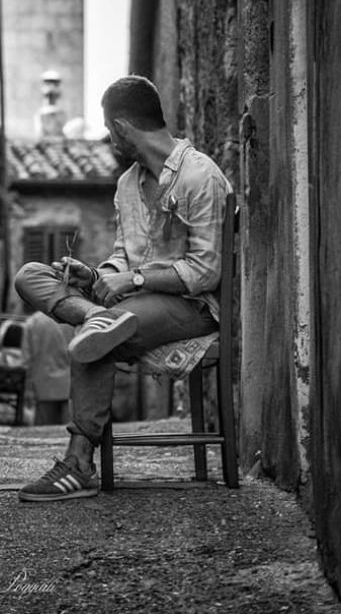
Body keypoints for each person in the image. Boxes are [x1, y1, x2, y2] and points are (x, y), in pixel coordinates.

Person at [14, 75, 230, 502]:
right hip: (130, 305)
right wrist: (95, 276)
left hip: (190, 307)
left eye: (109, 130)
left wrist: (132, 280)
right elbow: (122, 255)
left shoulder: (199, 175)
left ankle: (78, 462)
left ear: (122, 128)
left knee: (98, 338)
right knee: (30, 275)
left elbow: (206, 272)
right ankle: (96, 317)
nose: (110, 139)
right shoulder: (127, 184)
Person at [21, 310, 73, 426]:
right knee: (68, 430)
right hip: (69, 384)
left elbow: (26, 360)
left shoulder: (32, 323)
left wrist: (28, 388)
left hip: (42, 385)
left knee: (45, 430)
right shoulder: (70, 320)